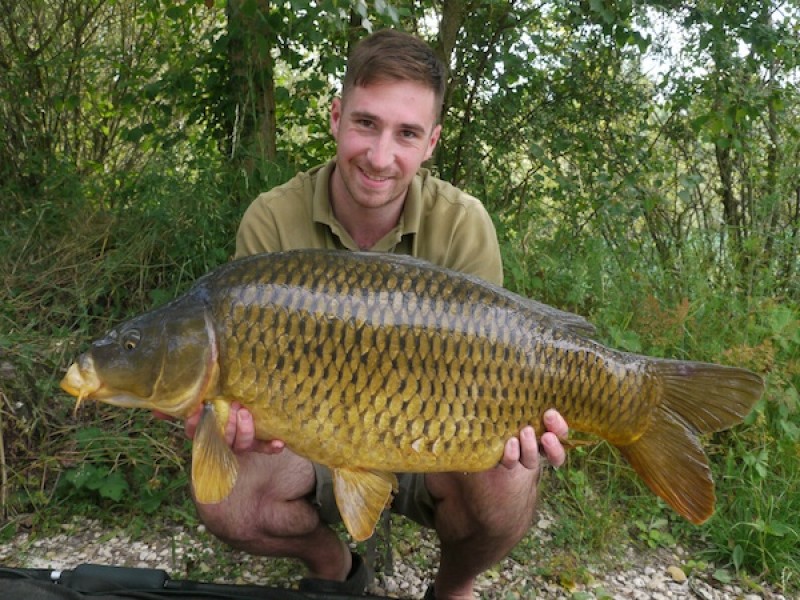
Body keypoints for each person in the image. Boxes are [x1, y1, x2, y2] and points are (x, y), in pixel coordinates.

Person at [185, 29, 569, 600]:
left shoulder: (464, 225)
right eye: (366, 123)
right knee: (224, 492)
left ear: (432, 142)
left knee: (511, 475)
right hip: (310, 433)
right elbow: (237, 371)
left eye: (407, 133)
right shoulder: (271, 220)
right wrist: (224, 420)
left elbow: (495, 363)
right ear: (337, 116)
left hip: (433, 432)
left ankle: (453, 586)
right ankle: (332, 564)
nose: (380, 156)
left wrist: (525, 425)